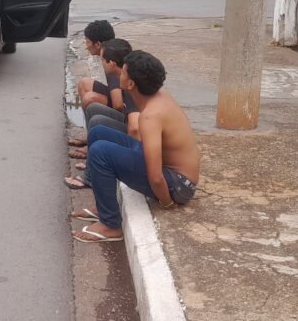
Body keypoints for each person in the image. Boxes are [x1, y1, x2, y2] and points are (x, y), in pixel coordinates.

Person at [70, 51, 201, 243]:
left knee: (100, 152)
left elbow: (155, 177)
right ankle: (103, 206)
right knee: (98, 132)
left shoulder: (150, 115)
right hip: (171, 173)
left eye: (123, 73)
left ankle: (110, 225)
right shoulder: (159, 95)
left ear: (131, 84)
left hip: (178, 185)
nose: (119, 76)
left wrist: (166, 203)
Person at [64, 39, 139, 189]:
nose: (101, 63)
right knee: (93, 110)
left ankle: (90, 178)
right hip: (129, 121)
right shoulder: (121, 73)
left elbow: (134, 127)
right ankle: (92, 159)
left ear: (112, 63)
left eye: (102, 60)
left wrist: (125, 148)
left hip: (137, 133)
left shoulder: (127, 81)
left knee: (98, 122)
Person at [76, 20, 118, 111]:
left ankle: (94, 122)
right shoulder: (113, 51)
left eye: (87, 42)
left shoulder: (110, 62)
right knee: (83, 83)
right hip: (119, 94)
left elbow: (118, 103)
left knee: (89, 98)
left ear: (98, 44)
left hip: (124, 103)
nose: (86, 46)